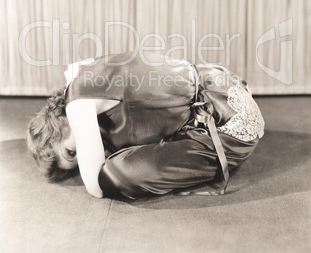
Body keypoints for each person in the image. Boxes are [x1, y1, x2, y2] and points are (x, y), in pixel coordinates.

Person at [27, 51, 265, 199]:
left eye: (71, 152)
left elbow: (95, 188)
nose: (84, 157)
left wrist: (95, 170)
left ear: (58, 123)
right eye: (78, 163)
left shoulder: (77, 104)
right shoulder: (83, 74)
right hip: (223, 81)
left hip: (227, 126)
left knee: (113, 176)